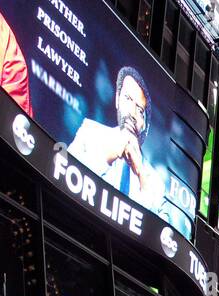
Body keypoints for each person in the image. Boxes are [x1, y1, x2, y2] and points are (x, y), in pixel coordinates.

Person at [68, 66, 166, 208]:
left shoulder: (155, 181)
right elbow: (65, 172)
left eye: (139, 110)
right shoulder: (89, 131)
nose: (132, 113)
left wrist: (141, 175)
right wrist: (106, 158)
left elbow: (152, 226)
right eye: (127, 99)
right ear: (117, 99)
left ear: (145, 124)